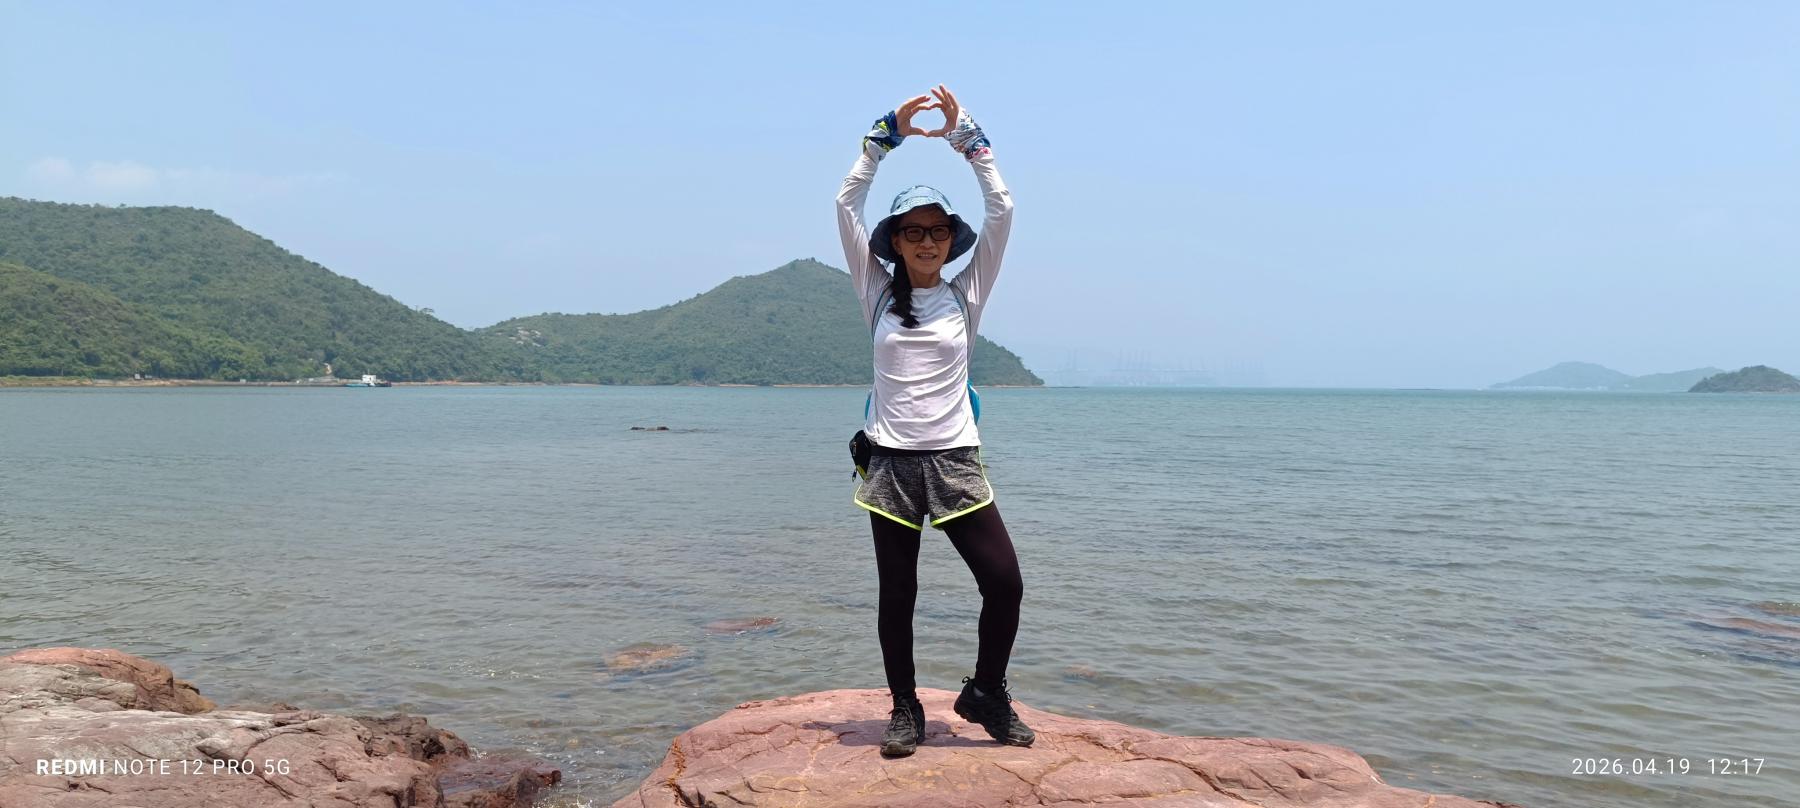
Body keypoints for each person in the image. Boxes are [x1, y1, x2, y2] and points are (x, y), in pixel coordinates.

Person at [835, 85, 1034, 758]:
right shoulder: (875, 292)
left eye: (938, 231)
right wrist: (881, 140)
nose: (926, 241)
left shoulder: (966, 294)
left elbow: (1003, 209)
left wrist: (968, 140)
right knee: (898, 594)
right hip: (890, 464)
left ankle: (986, 692)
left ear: (951, 241)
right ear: (895, 241)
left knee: (1004, 582)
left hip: (953, 460)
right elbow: (846, 205)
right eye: (913, 231)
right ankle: (904, 708)